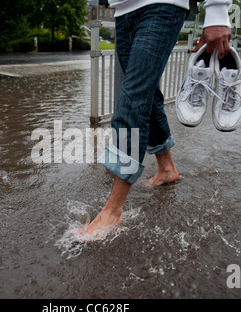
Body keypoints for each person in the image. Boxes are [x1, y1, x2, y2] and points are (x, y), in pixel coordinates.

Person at [83, 0, 233, 236]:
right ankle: (167, 169)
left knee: (132, 97)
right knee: (148, 95)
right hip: (123, 9)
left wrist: (217, 10)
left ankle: (113, 210)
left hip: (164, 4)